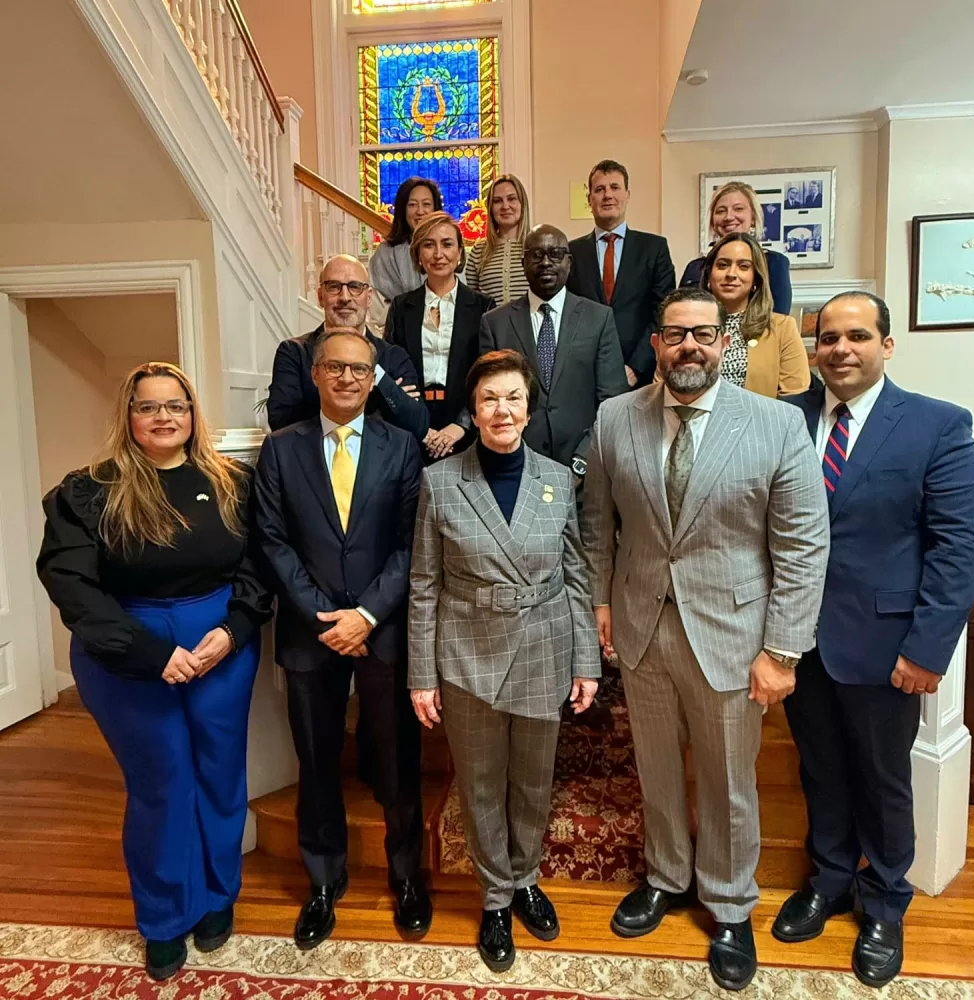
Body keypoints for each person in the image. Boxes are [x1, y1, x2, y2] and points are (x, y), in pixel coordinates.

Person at [582, 287, 829, 991]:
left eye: (702, 334)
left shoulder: (777, 424)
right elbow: (597, 523)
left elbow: (803, 545)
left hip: (733, 634)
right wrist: (601, 601)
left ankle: (728, 903)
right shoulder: (614, 418)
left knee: (727, 781)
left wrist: (782, 651)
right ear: (657, 344)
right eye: (675, 334)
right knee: (656, 768)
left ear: (725, 342)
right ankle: (666, 875)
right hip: (642, 626)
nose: (688, 346)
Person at [773, 292, 974, 988]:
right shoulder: (786, 420)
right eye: (828, 337)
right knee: (820, 770)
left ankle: (886, 901)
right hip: (798, 640)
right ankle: (831, 879)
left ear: (886, 346)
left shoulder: (936, 424)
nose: (840, 349)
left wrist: (927, 650)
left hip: (886, 644)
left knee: (883, 778)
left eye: (858, 336)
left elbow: (959, 548)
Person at [36, 362, 272, 981]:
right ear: (129, 415)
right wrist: (150, 654)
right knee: (161, 783)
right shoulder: (88, 491)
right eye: (148, 406)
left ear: (193, 414)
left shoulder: (232, 483)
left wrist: (234, 629)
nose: (163, 416)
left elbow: (258, 565)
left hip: (221, 648)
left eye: (176, 405)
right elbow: (71, 585)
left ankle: (218, 895)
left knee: (220, 774)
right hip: (127, 656)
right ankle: (165, 916)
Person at [408, 350, 601, 973]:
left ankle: (525, 879)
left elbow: (576, 574)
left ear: (528, 407)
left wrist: (587, 661)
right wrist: (421, 675)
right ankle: (495, 897)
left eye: (513, 397)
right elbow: (424, 584)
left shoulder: (557, 478)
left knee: (534, 781)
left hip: (545, 646)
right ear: (473, 408)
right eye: (489, 398)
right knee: (482, 782)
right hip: (469, 654)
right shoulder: (441, 482)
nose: (502, 410)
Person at [252, 331, 429, 950]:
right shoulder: (281, 449)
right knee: (317, 759)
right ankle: (324, 880)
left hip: (383, 632)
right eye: (335, 367)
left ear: (373, 378)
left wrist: (368, 615)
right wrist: (327, 617)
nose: (347, 378)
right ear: (316, 374)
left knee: (397, 762)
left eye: (359, 369)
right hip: (311, 636)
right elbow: (272, 541)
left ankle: (407, 876)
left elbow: (411, 543)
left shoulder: (401, 446)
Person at [479, 224, 628, 474]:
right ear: (523, 262)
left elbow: (613, 402)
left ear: (569, 262)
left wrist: (582, 462)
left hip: (585, 469)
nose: (546, 262)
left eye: (555, 254)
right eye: (536, 255)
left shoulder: (598, 318)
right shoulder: (495, 323)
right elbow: (488, 399)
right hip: (516, 468)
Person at [266, 254, 429, 440]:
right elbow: (282, 422)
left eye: (355, 287)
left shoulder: (394, 356)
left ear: (368, 298)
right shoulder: (294, 352)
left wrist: (381, 380)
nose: (344, 297)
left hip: (377, 457)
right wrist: (377, 402)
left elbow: (417, 425)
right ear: (320, 296)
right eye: (334, 287)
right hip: (314, 456)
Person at [386, 212, 496, 462]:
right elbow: (392, 371)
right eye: (428, 245)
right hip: (413, 425)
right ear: (418, 254)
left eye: (447, 244)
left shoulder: (483, 307)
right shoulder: (401, 307)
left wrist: (461, 425)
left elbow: (488, 373)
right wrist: (420, 427)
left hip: (466, 425)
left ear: (459, 253)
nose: (438, 254)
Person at [567, 159, 676, 387]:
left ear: (627, 195)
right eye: (599, 189)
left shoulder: (654, 249)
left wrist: (636, 367)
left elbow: (663, 312)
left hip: (642, 376)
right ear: (589, 199)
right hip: (583, 377)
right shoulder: (571, 252)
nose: (608, 195)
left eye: (615, 187)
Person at [700, 233, 809, 398]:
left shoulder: (782, 328)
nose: (731, 273)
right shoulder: (686, 326)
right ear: (709, 274)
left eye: (743, 266)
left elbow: (795, 397)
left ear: (756, 278)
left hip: (762, 415)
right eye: (723, 265)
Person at [679, 181, 793, 315]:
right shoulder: (695, 267)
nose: (728, 217)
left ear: (753, 217)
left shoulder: (774, 262)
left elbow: (778, 317)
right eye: (721, 211)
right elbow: (682, 314)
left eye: (738, 209)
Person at [368, 176, 443, 302]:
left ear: (435, 209)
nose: (420, 211)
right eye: (412, 205)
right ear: (403, 210)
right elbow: (378, 302)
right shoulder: (385, 253)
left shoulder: (448, 248)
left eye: (426, 204)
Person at [465, 174, 532, 305]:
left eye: (511, 199)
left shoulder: (536, 246)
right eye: (497, 201)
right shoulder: (478, 251)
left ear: (522, 203)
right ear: (490, 208)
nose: (505, 206)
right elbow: (471, 303)